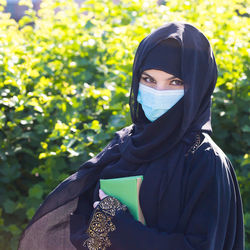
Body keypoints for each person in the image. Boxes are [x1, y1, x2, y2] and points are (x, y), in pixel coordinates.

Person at [18, 22, 244, 250]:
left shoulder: (204, 160)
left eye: (175, 82)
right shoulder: (125, 144)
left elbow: (202, 245)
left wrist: (121, 229)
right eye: (148, 80)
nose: (158, 92)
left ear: (198, 87)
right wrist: (102, 221)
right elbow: (84, 222)